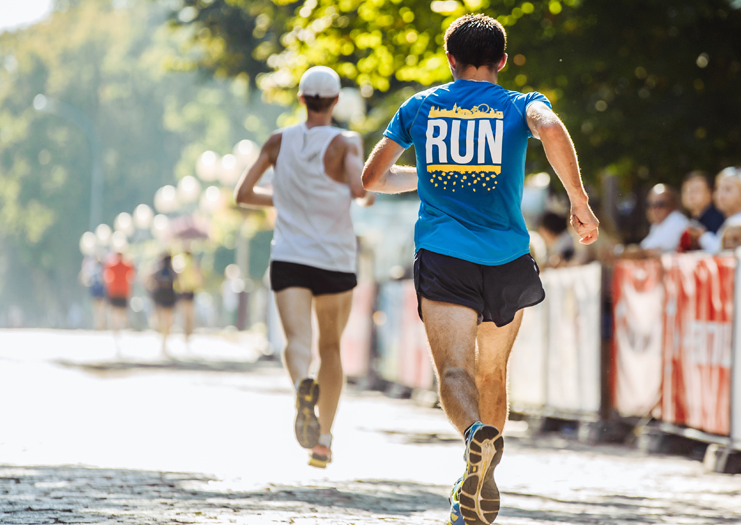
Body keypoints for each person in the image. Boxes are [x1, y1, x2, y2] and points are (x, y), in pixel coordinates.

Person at [362, 14, 598, 525]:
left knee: (453, 371)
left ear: (449, 60)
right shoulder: (521, 105)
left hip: (445, 257)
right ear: (503, 61)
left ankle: (475, 438)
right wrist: (578, 199)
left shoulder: (420, 106)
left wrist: (430, 176)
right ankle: (484, 477)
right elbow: (552, 127)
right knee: (492, 371)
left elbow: (373, 177)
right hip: (508, 258)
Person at [234, 66, 375, 468]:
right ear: (334, 102)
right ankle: (324, 442)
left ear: (300, 100)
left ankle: (301, 386)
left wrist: (284, 198)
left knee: (296, 340)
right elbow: (359, 192)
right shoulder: (346, 142)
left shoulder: (278, 141)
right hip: (334, 259)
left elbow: (243, 193)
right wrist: (368, 197)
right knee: (330, 347)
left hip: (290, 256)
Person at [696, 167, 741, 253]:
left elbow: (722, 253)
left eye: (728, 189)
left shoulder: (737, 223)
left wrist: (702, 237)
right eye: (717, 188)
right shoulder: (730, 220)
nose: (720, 195)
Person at [639, 183, 690, 253]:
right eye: (650, 204)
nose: (654, 209)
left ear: (674, 205)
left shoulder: (677, 219)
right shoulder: (656, 226)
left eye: (660, 204)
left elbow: (650, 251)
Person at [103, 251, 135, 350]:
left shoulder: (112, 265)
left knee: (115, 314)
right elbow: (132, 274)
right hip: (123, 292)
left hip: (115, 292)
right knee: (121, 313)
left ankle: (116, 331)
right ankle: (119, 330)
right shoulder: (127, 265)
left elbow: (106, 275)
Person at [149, 253, 177, 357]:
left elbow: (149, 280)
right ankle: (164, 340)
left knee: (160, 319)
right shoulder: (173, 271)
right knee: (168, 321)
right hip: (169, 297)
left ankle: (160, 335)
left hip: (160, 297)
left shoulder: (157, 271)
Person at [176, 251, 203, 344]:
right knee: (189, 314)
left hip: (183, 290)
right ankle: (187, 333)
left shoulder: (179, 260)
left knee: (184, 314)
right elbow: (198, 276)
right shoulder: (193, 261)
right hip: (189, 289)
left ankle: (186, 333)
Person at [80, 255, 106, 330]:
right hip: (99, 289)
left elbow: (86, 277)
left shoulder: (91, 266)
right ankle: (100, 324)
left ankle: (99, 324)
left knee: (97, 308)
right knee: (101, 308)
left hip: (95, 289)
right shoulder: (102, 267)